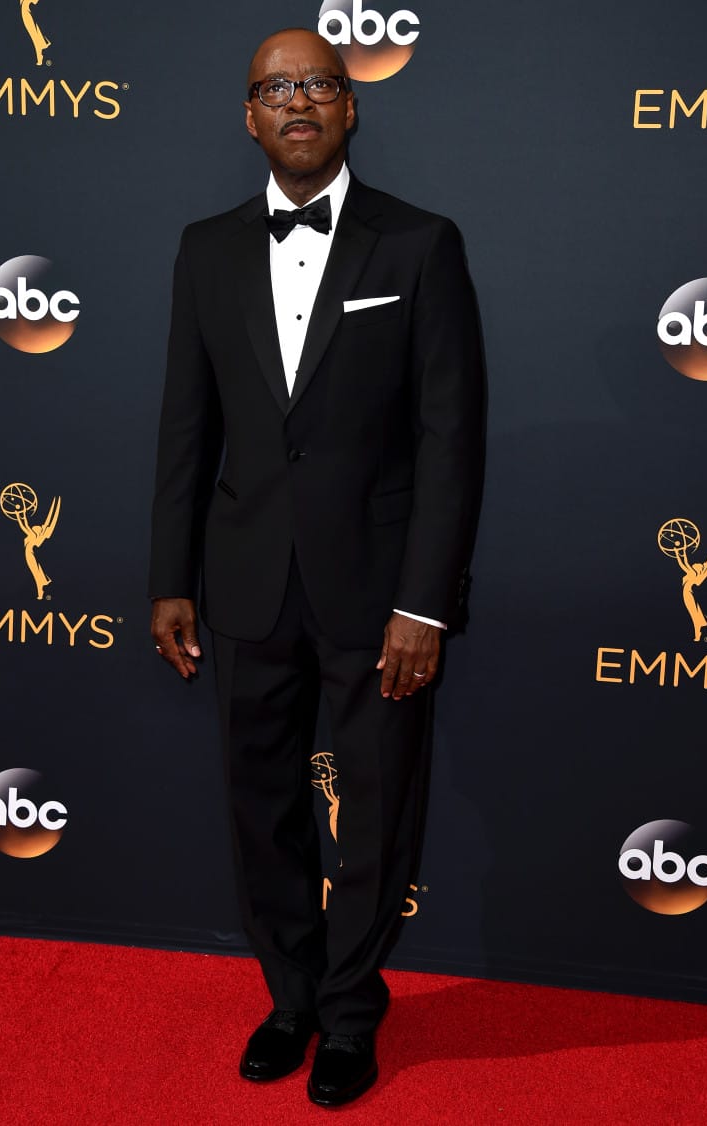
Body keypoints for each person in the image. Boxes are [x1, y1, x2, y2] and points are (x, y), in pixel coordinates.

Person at [149, 27, 483, 1108]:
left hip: (377, 590)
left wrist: (423, 603)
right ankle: (289, 997)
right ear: (250, 116)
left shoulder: (421, 245)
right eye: (276, 87)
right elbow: (185, 430)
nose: (299, 102)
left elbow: (449, 437)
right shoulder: (205, 247)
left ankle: (349, 1010)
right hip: (244, 582)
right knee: (261, 807)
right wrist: (170, 575)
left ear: (352, 107)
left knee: (378, 810)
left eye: (319, 84)